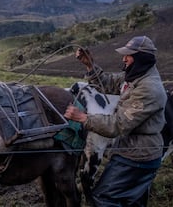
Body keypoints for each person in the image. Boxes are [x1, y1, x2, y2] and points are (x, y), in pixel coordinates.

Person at [64, 36, 166, 206]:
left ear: (141, 58)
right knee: (132, 202)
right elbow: (108, 83)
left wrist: (83, 118)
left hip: (137, 156)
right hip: (133, 150)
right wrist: (90, 65)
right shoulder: (135, 77)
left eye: (129, 55)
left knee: (102, 199)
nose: (123, 58)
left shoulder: (149, 89)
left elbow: (118, 125)